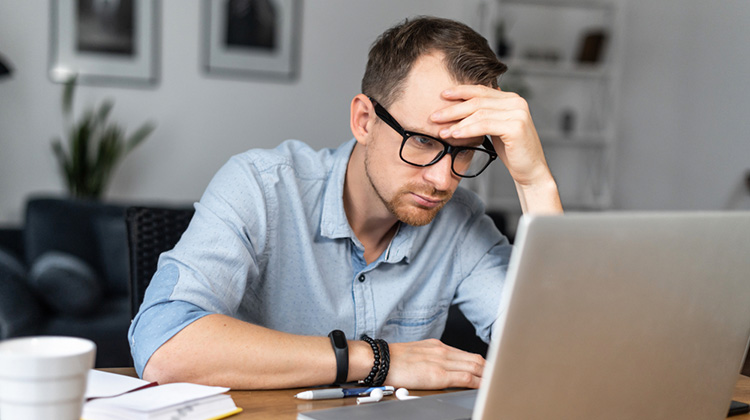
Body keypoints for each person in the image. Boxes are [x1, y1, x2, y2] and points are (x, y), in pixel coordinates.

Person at [128, 16, 563, 390]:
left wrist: (535, 181)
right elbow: (163, 345)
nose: (442, 179)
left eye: (465, 150)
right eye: (423, 142)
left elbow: (557, 358)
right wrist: (376, 359)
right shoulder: (261, 187)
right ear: (364, 120)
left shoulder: (461, 223)